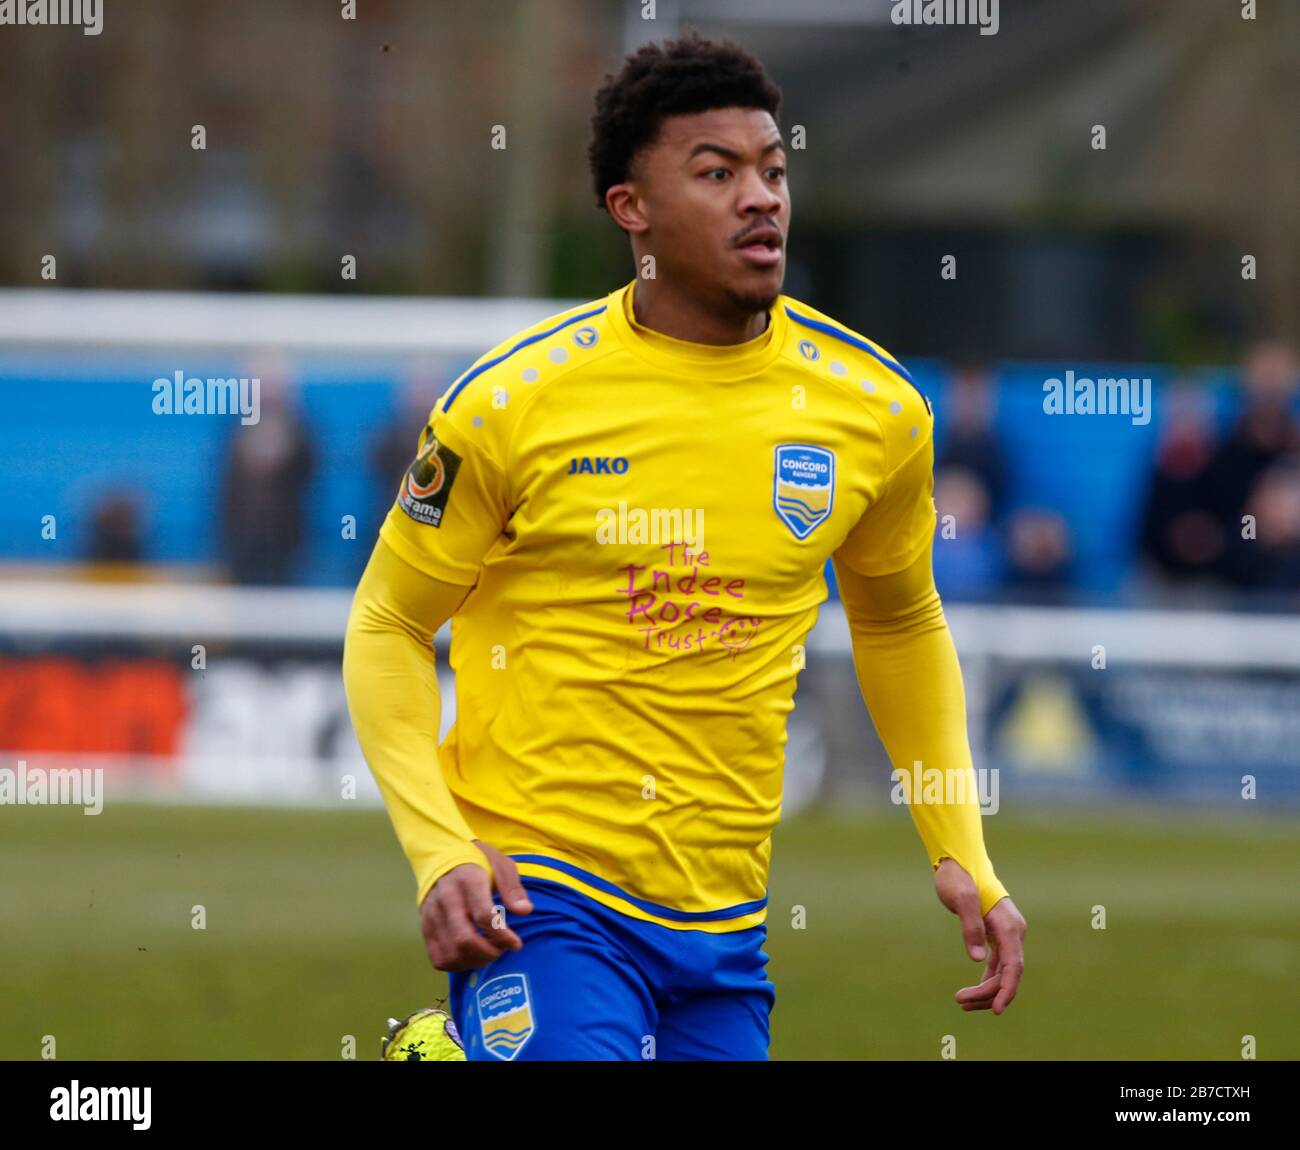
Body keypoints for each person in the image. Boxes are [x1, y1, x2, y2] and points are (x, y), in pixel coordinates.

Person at [343, 33, 1024, 1062]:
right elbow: (390, 621)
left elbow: (899, 619)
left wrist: (960, 846)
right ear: (632, 209)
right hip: (542, 896)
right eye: (716, 173)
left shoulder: (873, 408)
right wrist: (439, 849)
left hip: (722, 922)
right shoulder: (512, 403)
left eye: (773, 170)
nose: (761, 198)